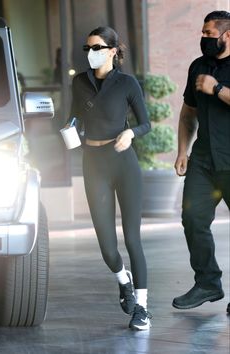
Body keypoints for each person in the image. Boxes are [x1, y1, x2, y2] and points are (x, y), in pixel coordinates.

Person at [67, 26, 151, 330]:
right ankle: (122, 281)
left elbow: (146, 124)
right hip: (93, 164)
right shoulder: (79, 83)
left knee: (132, 239)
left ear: (113, 51)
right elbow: (73, 118)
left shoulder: (127, 83)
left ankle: (141, 307)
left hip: (124, 164)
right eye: (88, 48)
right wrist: (68, 134)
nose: (91, 53)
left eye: (98, 47)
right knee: (106, 246)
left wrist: (130, 132)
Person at [173, 10, 230, 314]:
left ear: (227, 35)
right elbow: (187, 114)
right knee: (193, 220)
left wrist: (217, 89)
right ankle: (208, 282)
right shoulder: (198, 66)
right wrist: (182, 151)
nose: (204, 38)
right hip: (204, 159)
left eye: (210, 34)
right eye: (203, 33)